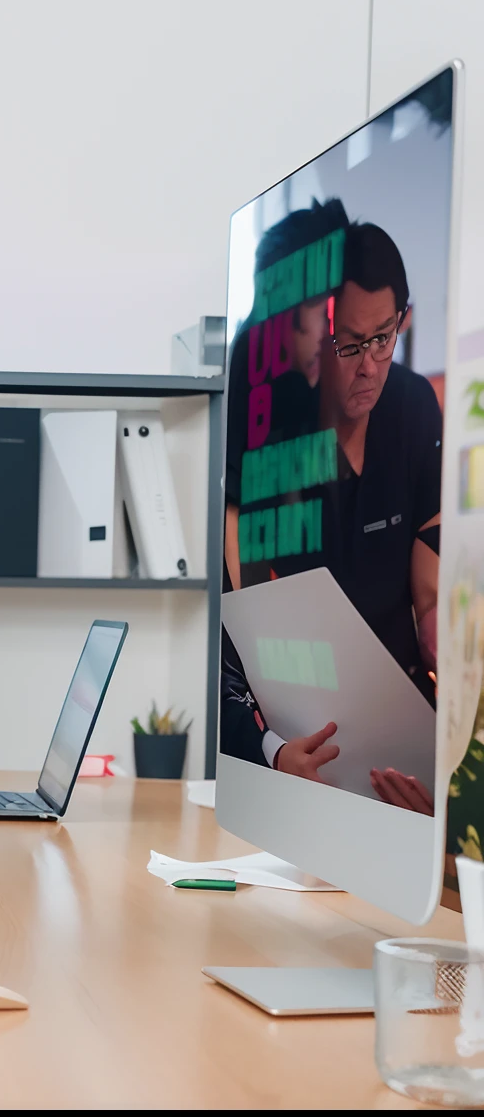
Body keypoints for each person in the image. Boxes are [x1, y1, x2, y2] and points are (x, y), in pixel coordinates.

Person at [220, 219, 441, 812]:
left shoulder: (415, 407)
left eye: (384, 339)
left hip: (406, 754)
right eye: (348, 344)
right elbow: (234, 638)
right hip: (303, 762)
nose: (369, 365)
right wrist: (271, 749)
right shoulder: (272, 444)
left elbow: (433, 592)